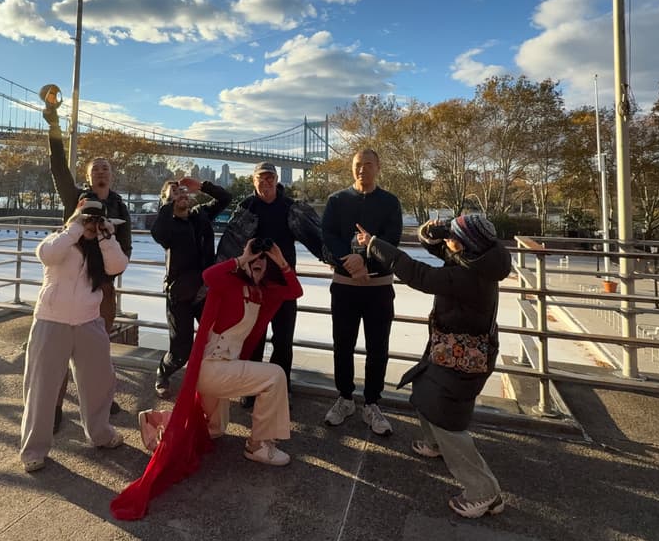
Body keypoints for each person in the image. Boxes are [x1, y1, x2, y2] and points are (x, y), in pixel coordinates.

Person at [110, 238, 302, 520]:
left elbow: (294, 291)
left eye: (263, 265)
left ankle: (161, 421)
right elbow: (208, 276)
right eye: (254, 264)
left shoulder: (264, 293)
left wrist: (282, 261)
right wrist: (241, 258)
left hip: (223, 369)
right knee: (274, 376)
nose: (257, 267)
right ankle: (259, 445)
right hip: (211, 368)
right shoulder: (229, 283)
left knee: (213, 431)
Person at [355, 213, 510, 518]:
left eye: (453, 237)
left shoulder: (469, 276)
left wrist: (374, 244)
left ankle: (485, 493)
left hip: (464, 355)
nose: (448, 242)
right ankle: (434, 443)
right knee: (425, 387)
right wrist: (436, 230)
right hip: (450, 347)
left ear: (465, 245)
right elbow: (438, 247)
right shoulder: (476, 258)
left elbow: (419, 275)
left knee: (447, 420)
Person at [20, 198, 129, 472]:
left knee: (100, 382)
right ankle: (34, 450)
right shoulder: (61, 239)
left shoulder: (101, 248)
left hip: (89, 321)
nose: (91, 223)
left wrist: (106, 237)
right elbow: (46, 254)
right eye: (87, 217)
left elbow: (117, 266)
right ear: (76, 216)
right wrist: (75, 228)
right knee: (41, 387)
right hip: (50, 321)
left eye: (96, 218)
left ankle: (101, 434)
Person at [42, 105, 132, 431]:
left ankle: (101, 402)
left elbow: (126, 247)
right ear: (89, 177)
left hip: (102, 287)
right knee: (58, 354)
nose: (101, 173)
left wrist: (108, 278)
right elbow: (57, 168)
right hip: (68, 284)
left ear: (112, 175)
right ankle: (52, 408)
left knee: (98, 352)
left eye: (106, 169)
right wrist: (53, 122)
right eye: (96, 169)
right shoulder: (75, 199)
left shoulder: (120, 206)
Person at [216, 161, 323, 405]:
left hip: (284, 284)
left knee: (283, 340)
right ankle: (251, 389)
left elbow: (315, 236)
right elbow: (230, 246)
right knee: (253, 338)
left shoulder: (291, 208)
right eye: (261, 178)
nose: (266, 182)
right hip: (253, 285)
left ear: (277, 180)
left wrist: (331, 258)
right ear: (253, 181)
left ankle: (281, 388)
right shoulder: (245, 207)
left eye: (270, 178)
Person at [321, 148, 401, 436]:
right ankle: (345, 398)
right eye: (357, 165)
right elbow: (327, 235)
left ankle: (372, 403)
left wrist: (364, 260)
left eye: (368, 164)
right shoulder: (337, 200)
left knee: (378, 347)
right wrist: (350, 261)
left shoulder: (390, 202)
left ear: (378, 167)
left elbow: (393, 240)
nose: (362, 170)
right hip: (344, 287)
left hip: (379, 288)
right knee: (342, 344)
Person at [150, 176, 232, 397]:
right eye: (174, 192)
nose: (181, 194)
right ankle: (163, 372)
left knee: (215, 339)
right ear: (166, 200)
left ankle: (206, 380)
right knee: (181, 350)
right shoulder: (167, 226)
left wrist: (202, 186)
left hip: (205, 291)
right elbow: (157, 232)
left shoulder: (200, 215)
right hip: (180, 293)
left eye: (183, 190)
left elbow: (226, 198)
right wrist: (168, 202)